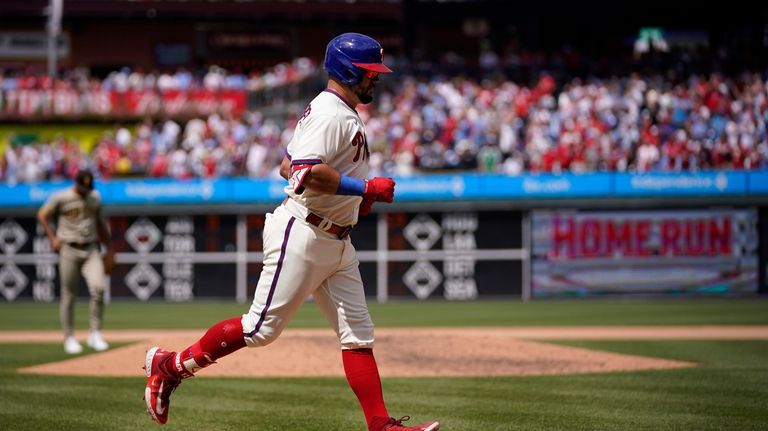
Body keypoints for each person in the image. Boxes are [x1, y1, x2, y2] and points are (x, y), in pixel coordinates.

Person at [143, 33, 440, 431]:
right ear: (350, 71)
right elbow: (302, 173)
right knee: (259, 329)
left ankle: (380, 425)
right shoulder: (330, 113)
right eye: (371, 72)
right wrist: (365, 188)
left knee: (357, 336)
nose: (377, 80)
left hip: (336, 239)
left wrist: (353, 200)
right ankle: (170, 366)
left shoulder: (338, 111)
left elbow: (287, 165)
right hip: (304, 232)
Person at [37, 169, 113, 354]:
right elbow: (42, 215)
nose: (86, 190)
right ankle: (69, 337)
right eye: (83, 187)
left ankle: (94, 333)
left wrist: (109, 247)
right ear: (77, 183)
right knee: (68, 294)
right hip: (68, 248)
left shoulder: (95, 198)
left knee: (98, 288)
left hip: (90, 248)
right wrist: (52, 238)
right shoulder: (61, 197)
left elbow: (100, 223)